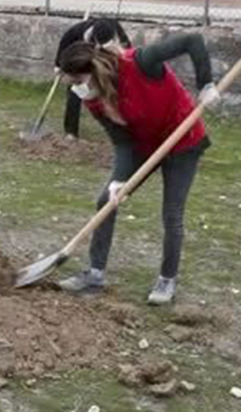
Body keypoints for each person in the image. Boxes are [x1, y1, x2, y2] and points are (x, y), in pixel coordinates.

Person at [54, 30, 220, 305]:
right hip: (144, 146)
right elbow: (122, 141)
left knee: (172, 213)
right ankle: (95, 274)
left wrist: (206, 84)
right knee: (106, 200)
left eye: (78, 81)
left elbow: (193, 41)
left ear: (91, 71)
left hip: (183, 141)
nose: (77, 87)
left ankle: (167, 279)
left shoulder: (141, 62)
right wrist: (119, 180)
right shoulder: (94, 99)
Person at [54, 18, 133, 140]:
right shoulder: (78, 31)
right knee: (75, 91)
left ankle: (123, 127)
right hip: (83, 62)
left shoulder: (116, 30)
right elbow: (64, 42)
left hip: (108, 62)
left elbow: (128, 51)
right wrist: (58, 65)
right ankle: (71, 131)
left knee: (117, 92)